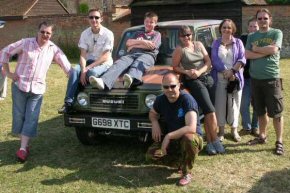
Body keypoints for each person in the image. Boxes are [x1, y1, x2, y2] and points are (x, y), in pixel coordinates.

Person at [0, 21, 72, 162]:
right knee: (19, 116)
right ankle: (24, 145)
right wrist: (8, 73)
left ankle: (22, 149)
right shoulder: (26, 43)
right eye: (42, 32)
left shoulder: (53, 49)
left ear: (51, 35)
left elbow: (67, 66)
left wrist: (78, 75)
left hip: (37, 90)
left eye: (48, 33)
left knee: (31, 118)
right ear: (38, 32)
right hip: (20, 86)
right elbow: (5, 52)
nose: (45, 35)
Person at [172, 26, 225, 155]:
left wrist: (199, 71)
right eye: (183, 35)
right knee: (210, 111)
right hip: (194, 82)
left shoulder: (199, 44)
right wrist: (186, 72)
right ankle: (216, 140)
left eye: (188, 34)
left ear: (192, 35)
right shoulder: (180, 50)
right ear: (179, 37)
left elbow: (208, 62)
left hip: (207, 78)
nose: (186, 37)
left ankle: (210, 143)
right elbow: (174, 66)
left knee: (209, 111)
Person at [146, 72, 203, 186]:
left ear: (179, 85)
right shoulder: (160, 99)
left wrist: (168, 136)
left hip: (191, 138)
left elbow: (191, 128)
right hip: (174, 141)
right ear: (162, 87)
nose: (169, 89)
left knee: (189, 139)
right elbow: (152, 113)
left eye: (173, 86)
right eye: (166, 87)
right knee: (151, 155)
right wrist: (154, 122)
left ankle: (187, 172)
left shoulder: (187, 99)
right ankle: (180, 161)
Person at [59, 8, 114, 113]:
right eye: (91, 17)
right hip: (88, 61)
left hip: (103, 63)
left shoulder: (108, 34)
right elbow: (83, 54)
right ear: (88, 19)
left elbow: (105, 57)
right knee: (74, 71)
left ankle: (85, 100)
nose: (94, 20)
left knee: (91, 73)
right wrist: (83, 68)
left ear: (101, 19)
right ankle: (68, 103)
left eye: (96, 17)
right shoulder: (84, 33)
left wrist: (86, 69)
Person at [245, 8, 284, 155]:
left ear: (270, 19)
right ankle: (262, 136)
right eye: (259, 19)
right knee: (260, 111)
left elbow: (274, 50)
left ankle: (279, 141)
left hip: (271, 78)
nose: (262, 21)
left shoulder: (276, 33)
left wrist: (257, 49)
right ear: (257, 20)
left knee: (277, 112)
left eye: (265, 18)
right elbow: (247, 54)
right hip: (256, 79)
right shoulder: (251, 36)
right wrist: (264, 51)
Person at [89, 11, 161, 90]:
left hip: (148, 55)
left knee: (138, 63)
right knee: (120, 62)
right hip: (132, 54)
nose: (149, 24)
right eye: (147, 21)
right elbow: (128, 43)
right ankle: (103, 81)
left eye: (151, 22)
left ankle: (131, 78)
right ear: (144, 22)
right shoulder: (138, 33)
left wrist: (134, 44)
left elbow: (151, 46)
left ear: (155, 24)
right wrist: (144, 42)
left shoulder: (156, 34)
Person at [211, 19, 246, 142]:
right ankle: (221, 131)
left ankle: (234, 130)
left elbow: (242, 59)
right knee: (220, 105)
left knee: (235, 104)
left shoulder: (238, 42)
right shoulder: (216, 43)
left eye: (229, 27)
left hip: (235, 78)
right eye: (224, 27)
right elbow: (214, 59)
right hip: (220, 78)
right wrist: (226, 71)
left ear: (233, 29)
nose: (226, 29)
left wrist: (232, 72)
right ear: (220, 29)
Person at [239, 18, 259, 136]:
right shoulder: (243, 39)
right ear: (248, 27)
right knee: (243, 103)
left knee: (257, 104)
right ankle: (246, 127)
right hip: (245, 77)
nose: (253, 29)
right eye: (251, 26)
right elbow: (242, 55)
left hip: (258, 77)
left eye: (255, 27)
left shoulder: (261, 39)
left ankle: (255, 127)